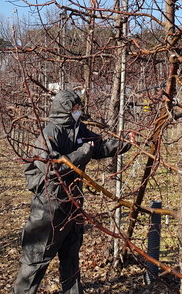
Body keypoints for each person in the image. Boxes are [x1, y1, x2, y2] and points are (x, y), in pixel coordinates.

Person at [13, 89, 131, 294]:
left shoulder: (79, 129)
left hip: (74, 202)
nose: (78, 111)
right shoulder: (48, 134)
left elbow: (99, 146)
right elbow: (52, 169)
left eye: (79, 108)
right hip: (49, 206)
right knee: (36, 257)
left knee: (71, 254)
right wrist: (83, 151)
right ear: (63, 110)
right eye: (74, 108)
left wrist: (126, 143)